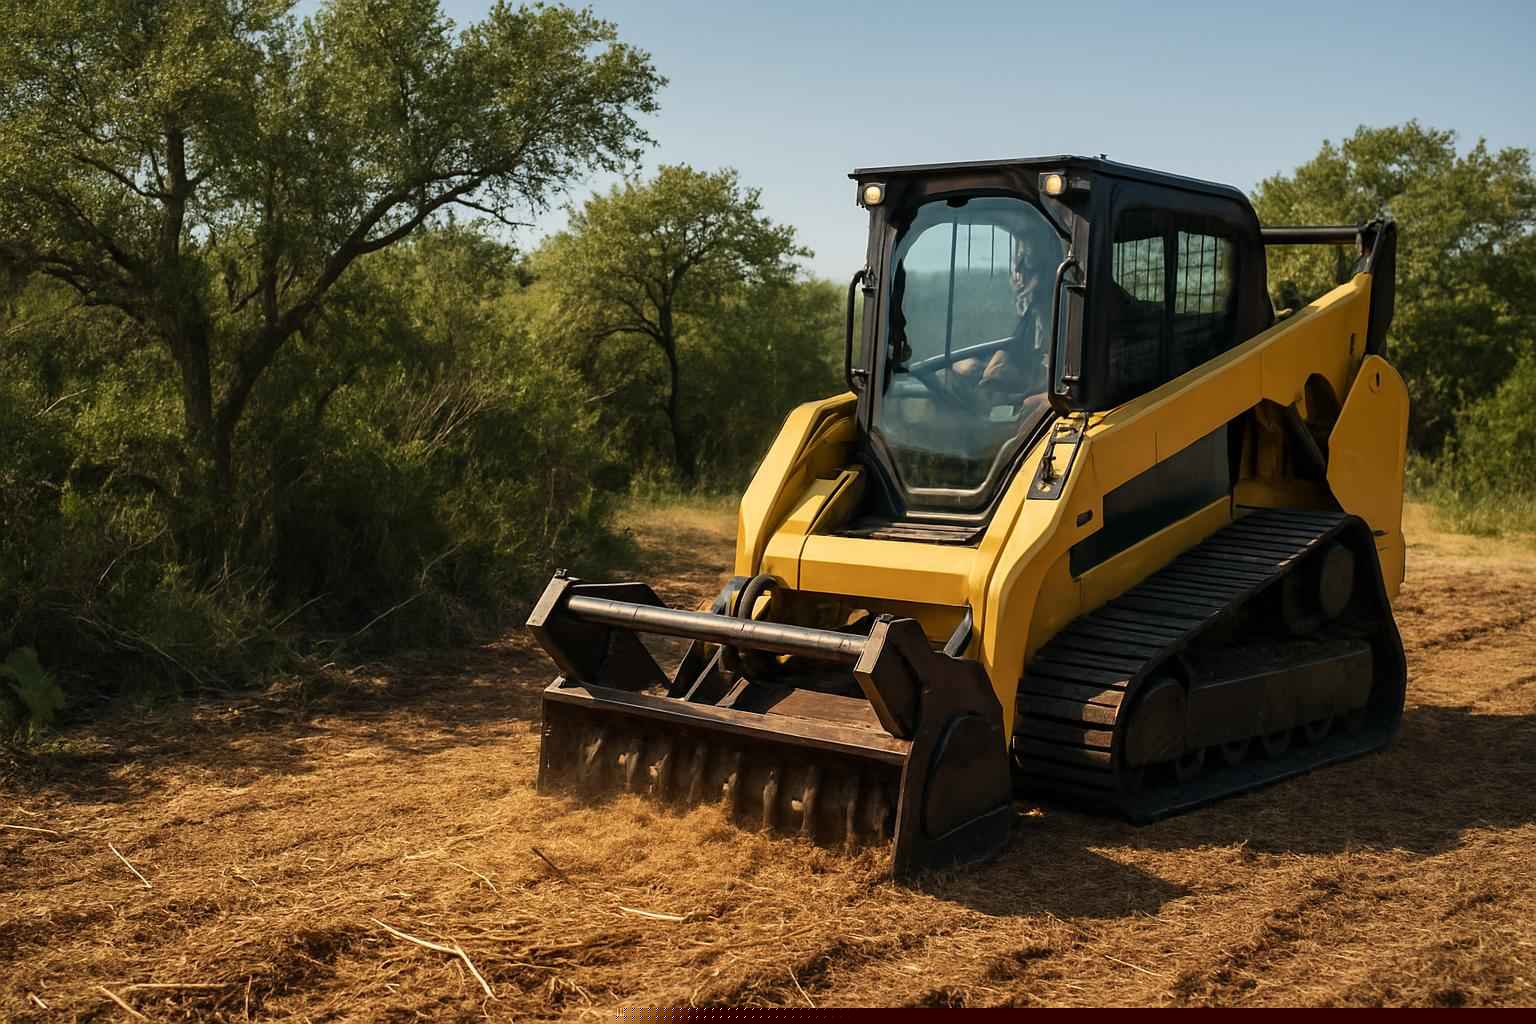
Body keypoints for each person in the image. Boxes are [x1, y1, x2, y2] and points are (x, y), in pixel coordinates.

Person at [952, 229, 1059, 394]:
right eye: (1016, 260)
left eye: (1028, 261)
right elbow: (1015, 355)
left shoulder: (1071, 312)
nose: (1017, 270)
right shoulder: (1030, 314)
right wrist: (979, 367)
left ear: (1050, 267)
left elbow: (1060, 378)